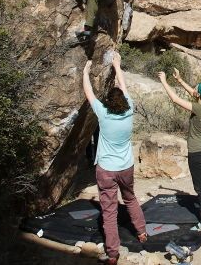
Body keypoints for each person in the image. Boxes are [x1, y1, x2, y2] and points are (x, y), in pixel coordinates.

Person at [82, 53, 147, 265]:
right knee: (130, 199)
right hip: (126, 167)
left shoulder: (103, 114)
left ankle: (112, 254)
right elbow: (123, 85)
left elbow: (89, 93)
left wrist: (85, 72)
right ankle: (142, 232)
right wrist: (117, 65)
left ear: (109, 102)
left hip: (106, 170)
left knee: (109, 212)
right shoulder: (129, 110)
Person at [158, 67, 201, 233]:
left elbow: (175, 99)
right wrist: (179, 80)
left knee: (200, 187)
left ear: (198, 95)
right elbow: (194, 92)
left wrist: (164, 81)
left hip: (196, 154)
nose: (194, 90)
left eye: (196, 89)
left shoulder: (198, 108)